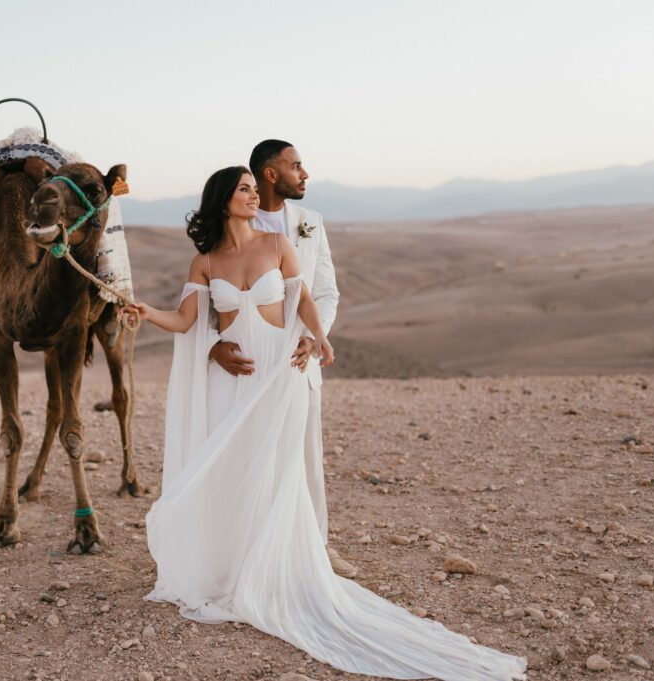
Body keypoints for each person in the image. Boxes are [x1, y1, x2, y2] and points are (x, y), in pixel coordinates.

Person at [123, 166, 528, 680]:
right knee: (231, 467)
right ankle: (229, 567)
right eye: (245, 189)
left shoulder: (276, 245)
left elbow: (307, 298)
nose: (254, 196)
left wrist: (320, 337)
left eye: (254, 187)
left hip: (278, 373)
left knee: (275, 469)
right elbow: (186, 321)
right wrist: (145, 312)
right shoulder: (205, 260)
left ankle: (271, 571)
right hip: (234, 377)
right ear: (224, 199)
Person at [208, 139, 354, 577]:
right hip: (245, 366)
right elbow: (206, 303)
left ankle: (316, 550)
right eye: (296, 166)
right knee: (245, 458)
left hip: (296, 363)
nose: (304, 174)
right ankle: (245, 553)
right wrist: (212, 347)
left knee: (304, 458)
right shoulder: (226, 226)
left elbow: (324, 291)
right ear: (270, 174)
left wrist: (315, 335)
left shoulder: (310, 223)